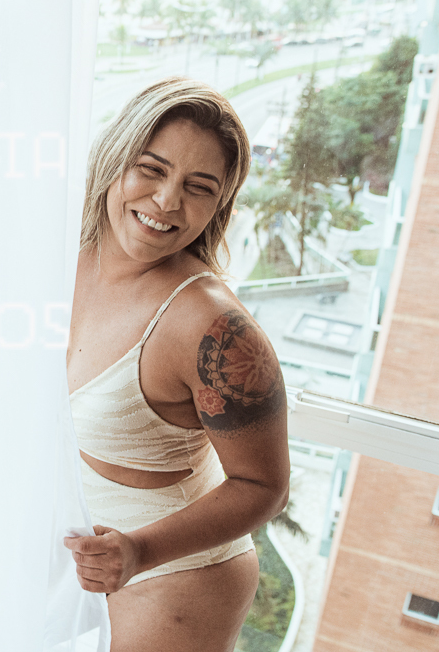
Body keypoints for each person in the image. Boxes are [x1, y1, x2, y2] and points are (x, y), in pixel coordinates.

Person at [63, 75, 289, 652]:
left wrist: (140, 551)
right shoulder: (60, 257)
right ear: (114, 158)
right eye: (151, 169)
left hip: (177, 578)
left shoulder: (214, 329)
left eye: (198, 187)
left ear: (219, 205)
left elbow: (264, 485)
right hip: (87, 561)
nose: (167, 201)